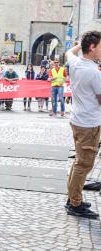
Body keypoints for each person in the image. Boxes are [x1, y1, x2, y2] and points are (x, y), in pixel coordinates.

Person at [64, 31, 101, 219]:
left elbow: (68, 52)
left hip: (78, 119)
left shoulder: (75, 62)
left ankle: (73, 197)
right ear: (93, 47)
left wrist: (78, 44)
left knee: (79, 161)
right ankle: (74, 203)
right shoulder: (93, 72)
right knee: (84, 164)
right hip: (89, 123)